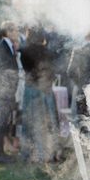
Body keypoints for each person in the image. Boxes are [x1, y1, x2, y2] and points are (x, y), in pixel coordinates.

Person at [21, 26, 57, 162]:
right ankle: (48, 154)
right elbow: (51, 72)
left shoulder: (24, 52)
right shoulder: (47, 51)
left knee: (30, 123)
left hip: (30, 90)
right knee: (48, 123)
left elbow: (26, 71)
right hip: (45, 90)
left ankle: (28, 153)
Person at [0, 21, 20, 163]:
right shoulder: (1, 47)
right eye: (15, 30)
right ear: (8, 32)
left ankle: (1, 152)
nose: (17, 33)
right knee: (1, 122)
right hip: (4, 91)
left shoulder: (9, 46)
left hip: (8, 91)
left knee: (5, 122)